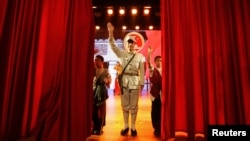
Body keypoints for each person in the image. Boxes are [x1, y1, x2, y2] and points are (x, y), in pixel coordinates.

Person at [107, 22, 145, 137]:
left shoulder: (139, 57)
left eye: (132, 43)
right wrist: (111, 33)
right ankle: (125, 126)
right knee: (125, 105)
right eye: (128, 43)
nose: (130, 45)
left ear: (135, 45)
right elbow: (113, 46)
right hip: (124, 82)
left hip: (134, 82)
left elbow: (142, 71)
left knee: (134, 106)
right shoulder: (122, 54)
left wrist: (142, 83)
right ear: (125, 44)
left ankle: (133, 126)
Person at [92, 55, 112, 135]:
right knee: (94, 111)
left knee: (101, 111)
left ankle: (100, 128)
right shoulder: (94, 70)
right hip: (94, 92)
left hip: (102, 92)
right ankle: (94, 126)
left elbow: (109, 80)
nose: (96, 62)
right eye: (95, 60)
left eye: (97, 60)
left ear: (102, 61)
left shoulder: (105, 71)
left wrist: (106, 81)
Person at [147, 46, 162, 137]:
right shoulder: (153, 69)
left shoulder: (165, 70)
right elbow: (149, 62)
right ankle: (156, 128)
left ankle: (162, 127)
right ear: (155, 62)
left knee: (162, 111)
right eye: (158, 61)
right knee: (155, 111)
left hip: (163, 93)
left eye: (161, 60)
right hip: (155, 92)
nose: (159, 62)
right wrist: (149, 53)